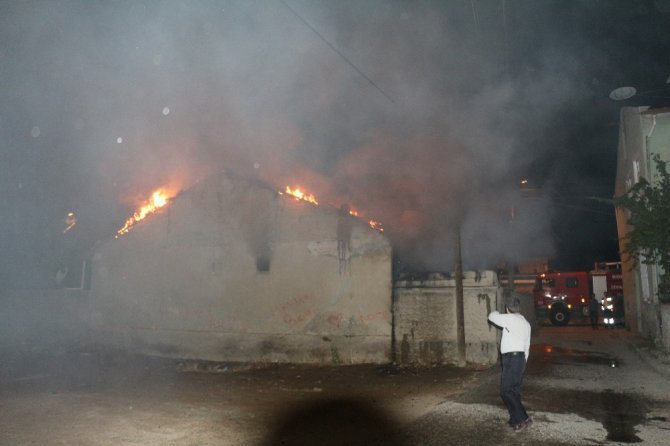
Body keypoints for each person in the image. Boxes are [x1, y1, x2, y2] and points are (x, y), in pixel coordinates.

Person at [488, 297, 532, 432]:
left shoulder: (509, 319)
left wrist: (496, 310)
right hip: (520, 359)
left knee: (506, 391)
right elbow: (527, 345)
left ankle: (524, 418)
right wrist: (524, 360)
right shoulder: (525, 323)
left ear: (508, 309)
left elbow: (492, 317)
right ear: (519, 308)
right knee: (514, 391)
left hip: (511, 360)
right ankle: (515, 421)